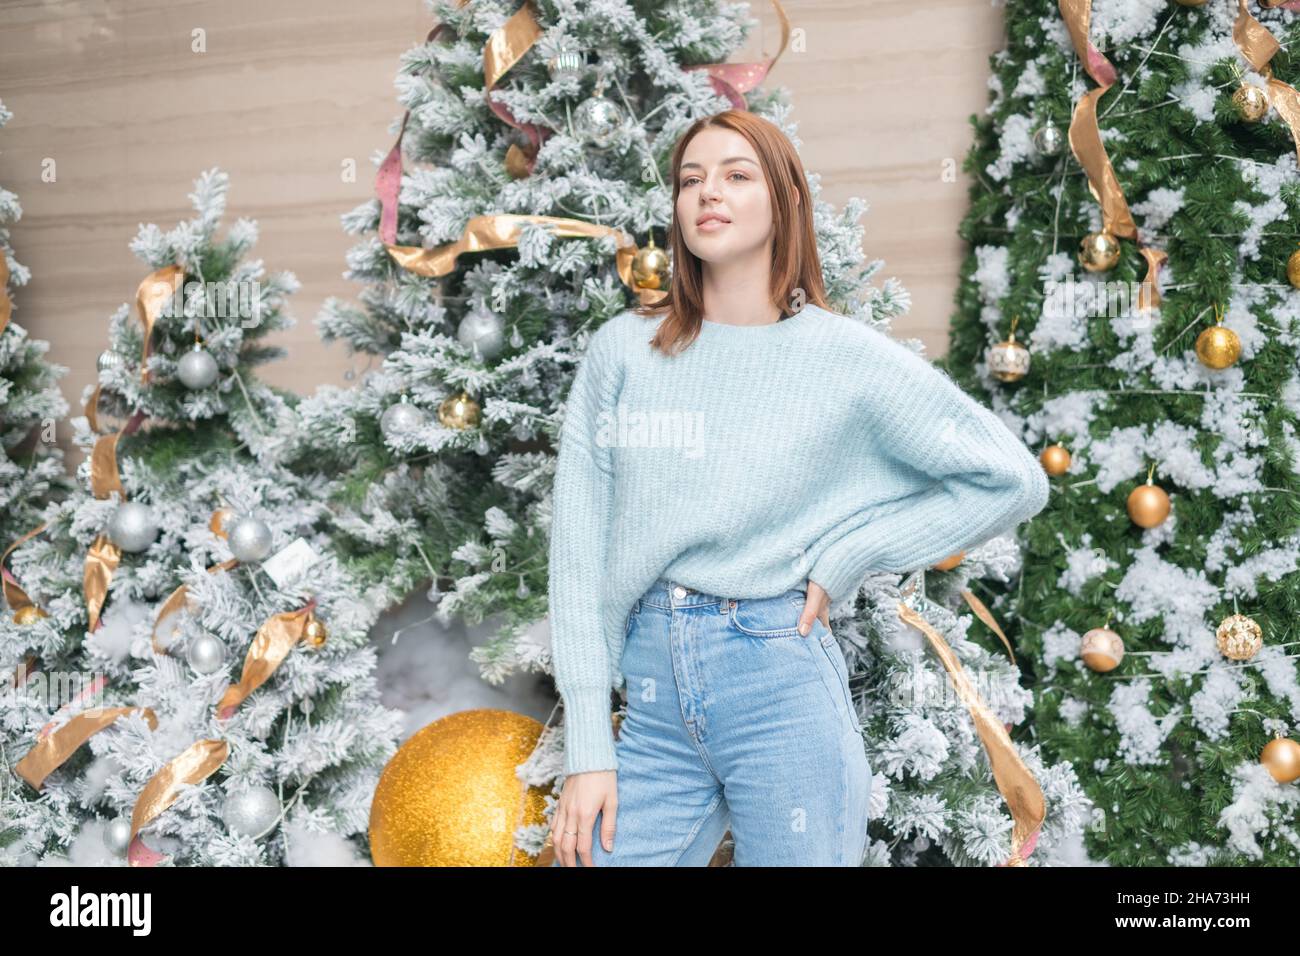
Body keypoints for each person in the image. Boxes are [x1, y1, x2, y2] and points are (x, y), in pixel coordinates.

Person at [546, 109, 1050, 866]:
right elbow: (578, 549)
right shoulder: (622, 352)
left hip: (777, 679)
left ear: (784, 200)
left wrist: (850, 553)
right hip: (650, 697)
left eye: (736, 175)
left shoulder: (841, 356)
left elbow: (1010, 479)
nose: (706, 193)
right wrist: (589, 740)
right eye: (690, 180)